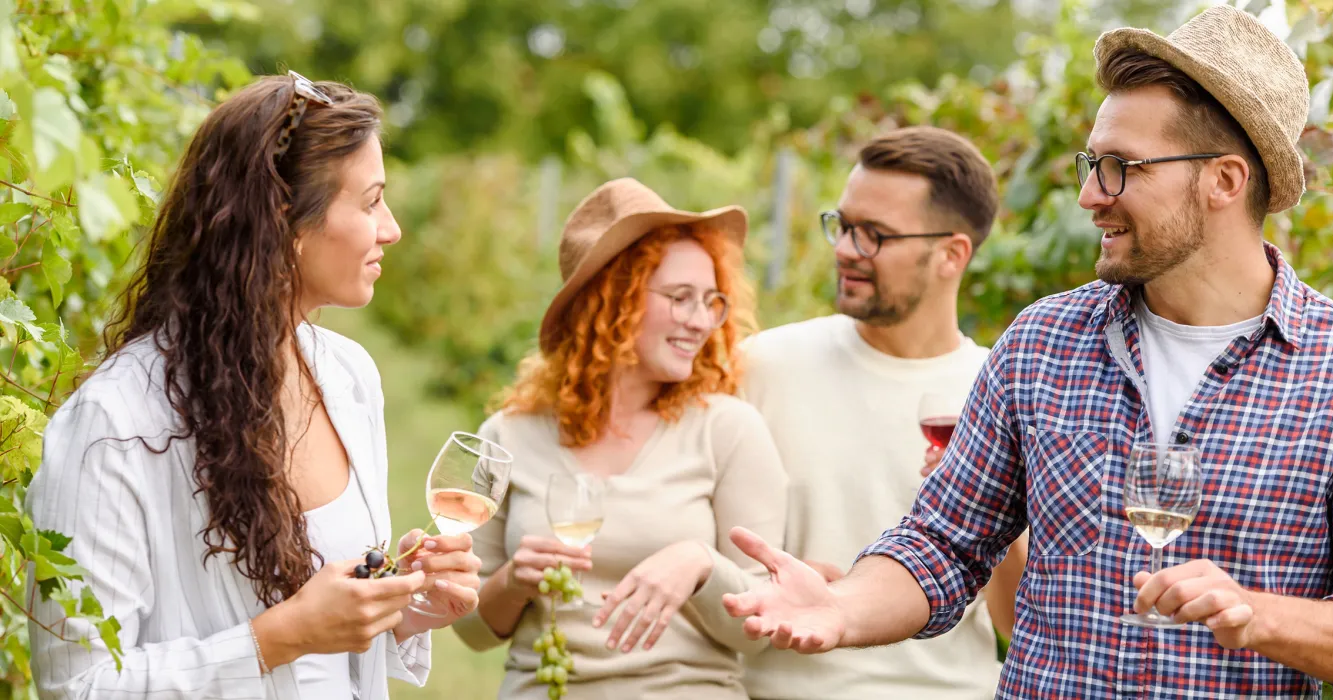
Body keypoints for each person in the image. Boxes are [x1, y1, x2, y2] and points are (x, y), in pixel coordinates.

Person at [722, 7, 1333, 699]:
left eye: (1120, 168)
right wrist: (842, 607)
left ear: (1223, 180)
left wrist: (1258, 615)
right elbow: (943, 544)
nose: (1089, 196)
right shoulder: (1043, 343)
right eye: (1089, 164)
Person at [24, 71, 483, 700]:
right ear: (284, 224)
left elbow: (332, 651)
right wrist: (275, 639)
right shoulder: (117, 424)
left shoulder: (349, 378)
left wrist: (405, 600)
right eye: (371, 202)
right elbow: (78, 684)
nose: (392, 228)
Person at [451, 178, 787, 699]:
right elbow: (471, 629)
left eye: (711, 301)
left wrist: (700, 563)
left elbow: (758, 631)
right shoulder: (507, 436)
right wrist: (515, 579)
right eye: (680, 298)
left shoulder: (727, 429)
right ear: (612, 302)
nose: (700, 322)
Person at [736, 126, 1026, 700]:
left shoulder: (1003, 388)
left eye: (874, 235)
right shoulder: (764, 365)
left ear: (951, 254)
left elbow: (1015, 625)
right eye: (842, 226)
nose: (845, 249)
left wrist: (991, 511)